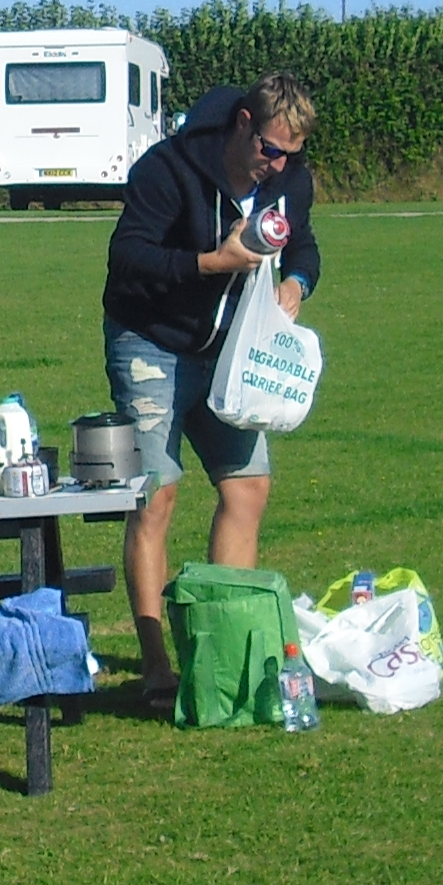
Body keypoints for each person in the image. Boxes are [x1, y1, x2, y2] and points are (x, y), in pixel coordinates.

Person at [101, 72, 321, 708]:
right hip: (152, 340)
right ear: (244, 125)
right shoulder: (168, 170)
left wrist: (296, 284)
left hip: (231, 351)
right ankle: (155, 666)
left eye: (291, 155)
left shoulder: (289, 180)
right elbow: (130, 259)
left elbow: (304, 244)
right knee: (157, 496)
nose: (278, 165)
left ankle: (222, 645)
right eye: (271, 150)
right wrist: (210, 264)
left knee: (247, 486)